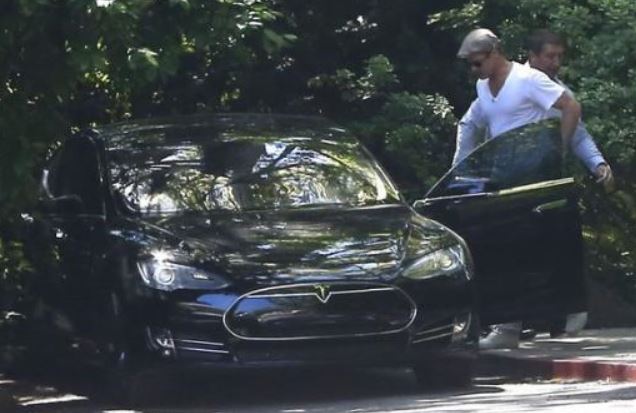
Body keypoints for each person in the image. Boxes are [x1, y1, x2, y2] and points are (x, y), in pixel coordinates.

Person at [453, 28, 583, 350]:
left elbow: (571, 107)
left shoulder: (527, 80)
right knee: (508, 248)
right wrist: (458, 169)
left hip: (534, 177)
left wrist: (557, 149)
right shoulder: (483, 87)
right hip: (505, 178)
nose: (474, 70)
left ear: (495, 53)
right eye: (470, 65)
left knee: (529, 247)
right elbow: (472, 123)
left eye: (477, 62)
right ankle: (513, 322)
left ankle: (534, 319)